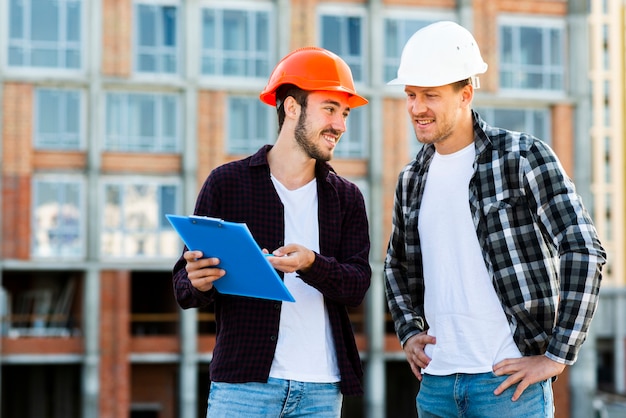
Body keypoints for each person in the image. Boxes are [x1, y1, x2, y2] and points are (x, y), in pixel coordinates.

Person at [383, 20, 606, 418]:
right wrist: (409, 330)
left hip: (507, 386)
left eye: (430, 95)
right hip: (436, 388)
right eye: (411, 95)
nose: (417, 108)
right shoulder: (411, 179)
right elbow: (396, 264)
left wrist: (557, 356)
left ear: (465, 94)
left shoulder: (521, 157)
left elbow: (583, 249)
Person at [172, 47, 371, 418]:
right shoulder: (227, 184)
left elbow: (357, 286)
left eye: (344, 114)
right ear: (292, 107)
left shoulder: (346, 198)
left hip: (321, 389)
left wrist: (312, 264)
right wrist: (197, 280)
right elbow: (183, 289)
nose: (341, 125)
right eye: (330, 109)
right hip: (243, 387)